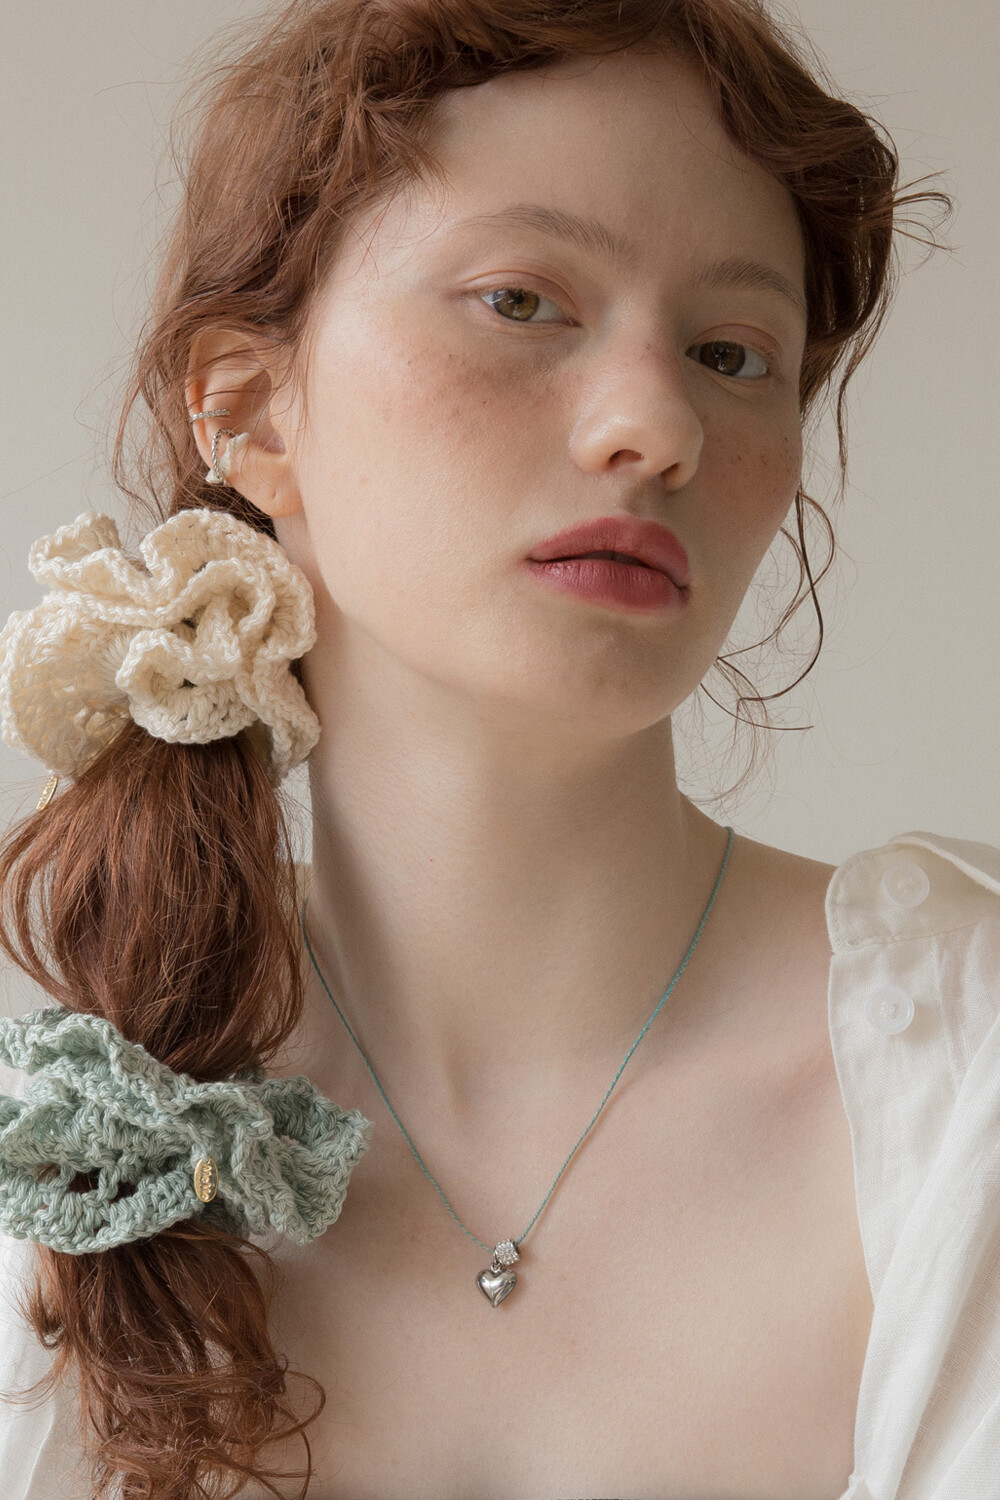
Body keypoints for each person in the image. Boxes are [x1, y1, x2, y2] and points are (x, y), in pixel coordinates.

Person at [0, 1, 996, 1498]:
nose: (656, 425)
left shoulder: (968, 1082)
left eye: (732, 352)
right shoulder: (66, 1115)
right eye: (521, 301)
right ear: (248, 411)